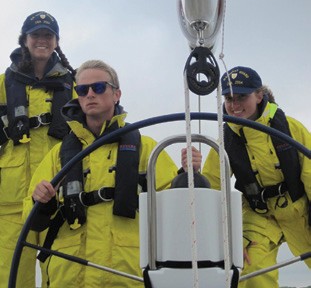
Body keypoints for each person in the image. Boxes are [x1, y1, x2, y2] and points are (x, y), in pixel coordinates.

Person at [24, 59, 202, 288]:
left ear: (117, 94)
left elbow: (176, 209)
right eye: (82, 89)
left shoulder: (147, 149)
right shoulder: (58, 154)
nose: (90, 94)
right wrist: (42, 201)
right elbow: (31, 218)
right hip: (68, 274)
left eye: (98, 88)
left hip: (126, 274)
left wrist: (187, 174)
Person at [202, 66, 311, 288]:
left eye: (242, 96)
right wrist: (225, 236)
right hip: (259, 214)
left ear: (259, 95)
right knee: (250, 269)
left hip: (299, 210)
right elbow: (212, 186)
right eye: (229, 98)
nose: (234, 105)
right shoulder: (224, 140)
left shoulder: (290, 127)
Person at [0, 11, 76, 288]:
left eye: (48, 35)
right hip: (9, 201)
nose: (42, 40)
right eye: (36, 35)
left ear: (56, 41)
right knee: (10, 277)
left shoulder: (76, 87)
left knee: (59, 273)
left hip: (56, 194)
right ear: (25, 40)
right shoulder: (2, 84)